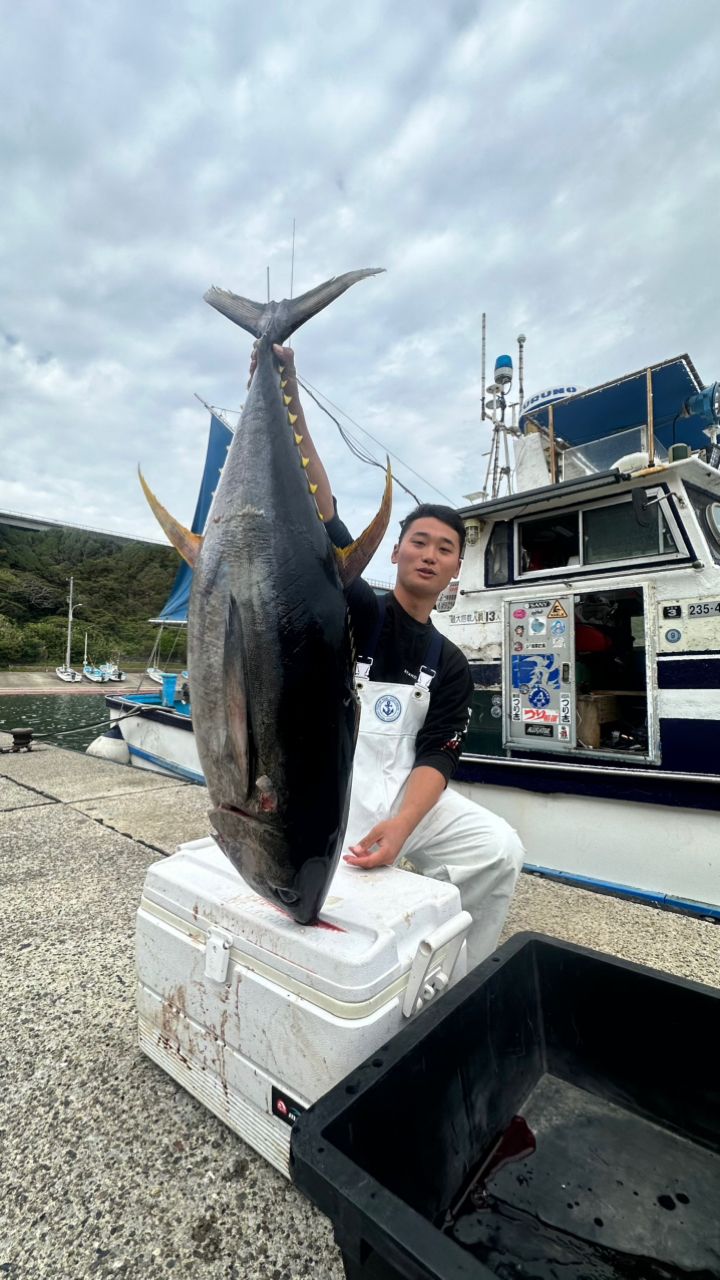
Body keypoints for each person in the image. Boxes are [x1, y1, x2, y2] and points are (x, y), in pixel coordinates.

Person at [250, 342, 524, 967]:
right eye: (418, 541)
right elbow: (323, 514)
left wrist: (402, 827)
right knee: (322, 894)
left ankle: (454, 972)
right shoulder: (359, 609)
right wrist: (287, 390)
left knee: (499, 849)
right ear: (395, 552)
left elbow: (437, 754)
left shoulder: (450, 662)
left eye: (445, 548)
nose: (430, 554)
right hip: (333, 789)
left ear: (456, 566)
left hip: (403, 794)